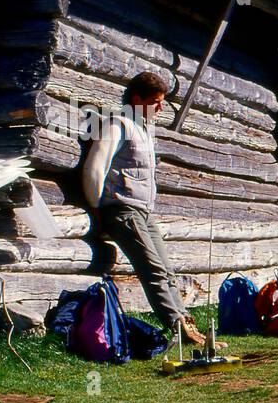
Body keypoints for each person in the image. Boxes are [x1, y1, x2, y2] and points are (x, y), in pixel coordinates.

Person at [81, 72, 206, 344]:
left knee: (166, 269)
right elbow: (96, 168)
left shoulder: (144, 129)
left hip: (144, 211)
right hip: (122, 209)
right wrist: (97, 209)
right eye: (156, 101)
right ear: (137, 99)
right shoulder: (118, 125)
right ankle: (177, 327)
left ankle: (185, 323)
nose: (161, 107)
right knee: (153, 269)